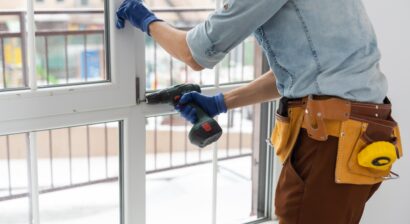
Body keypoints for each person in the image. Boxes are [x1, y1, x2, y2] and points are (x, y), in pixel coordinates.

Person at [116, 0, 403, 223]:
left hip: (331, 142)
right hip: (364, 134)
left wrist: (145, 19)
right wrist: (220, 102)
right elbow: (301, 75)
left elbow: (194, 53)